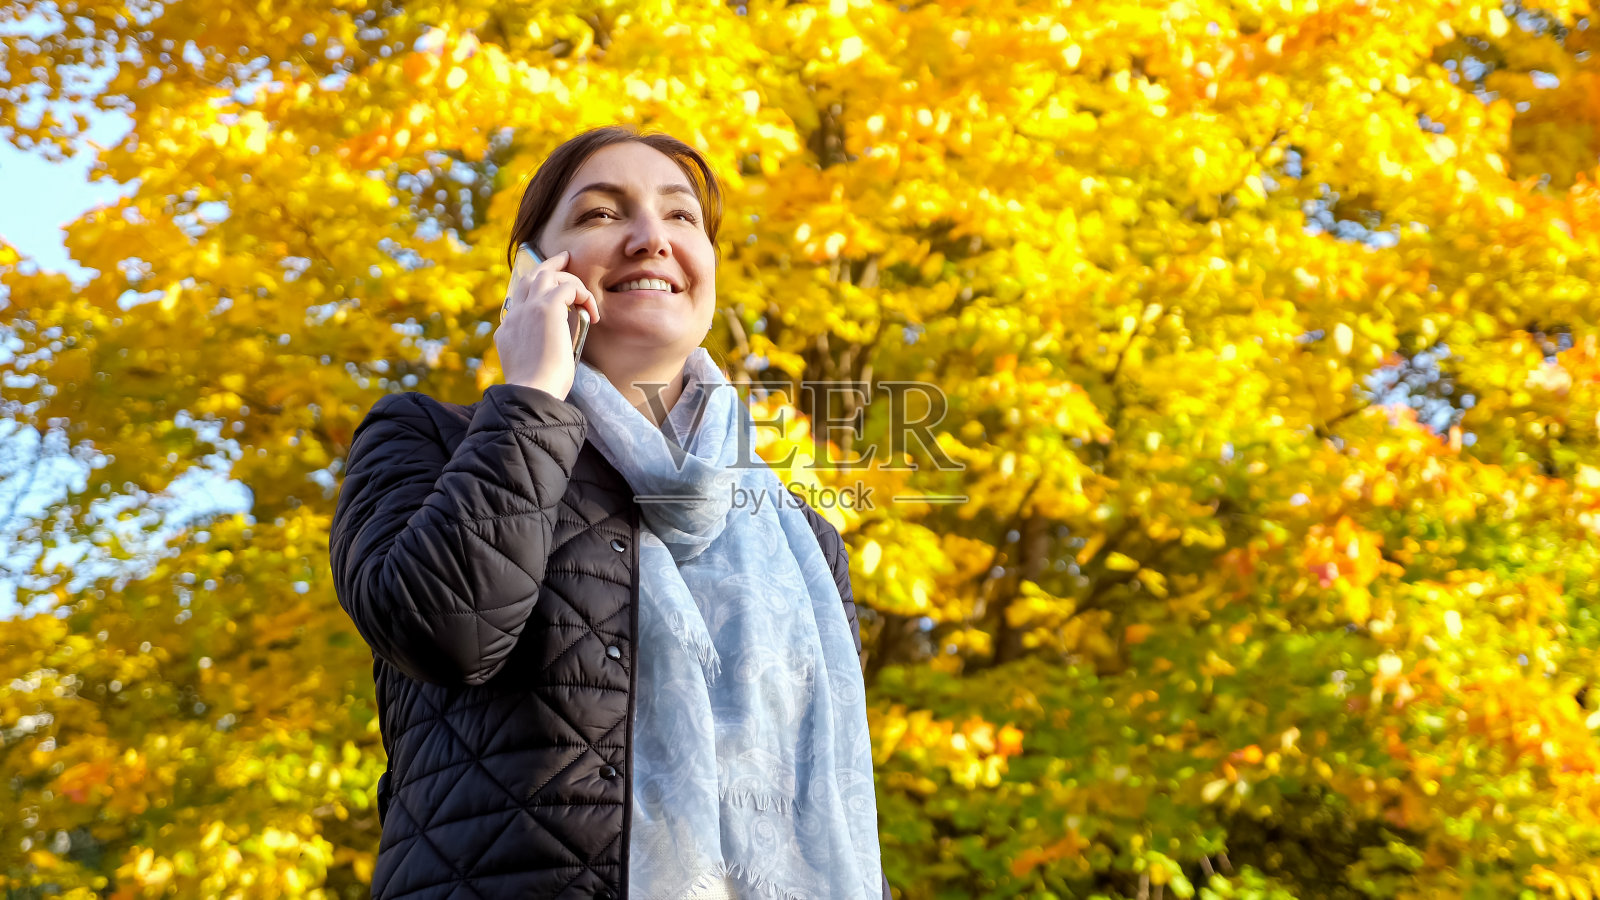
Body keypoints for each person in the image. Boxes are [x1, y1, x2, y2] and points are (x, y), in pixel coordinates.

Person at [329, 124, 889, 900]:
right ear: (534, 271)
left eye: (681, 216)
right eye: (600, 214)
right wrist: (530, 395)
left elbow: (837, 802)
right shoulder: (433, 439)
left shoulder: (800, 535)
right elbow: (446, 633)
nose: (651, 238)